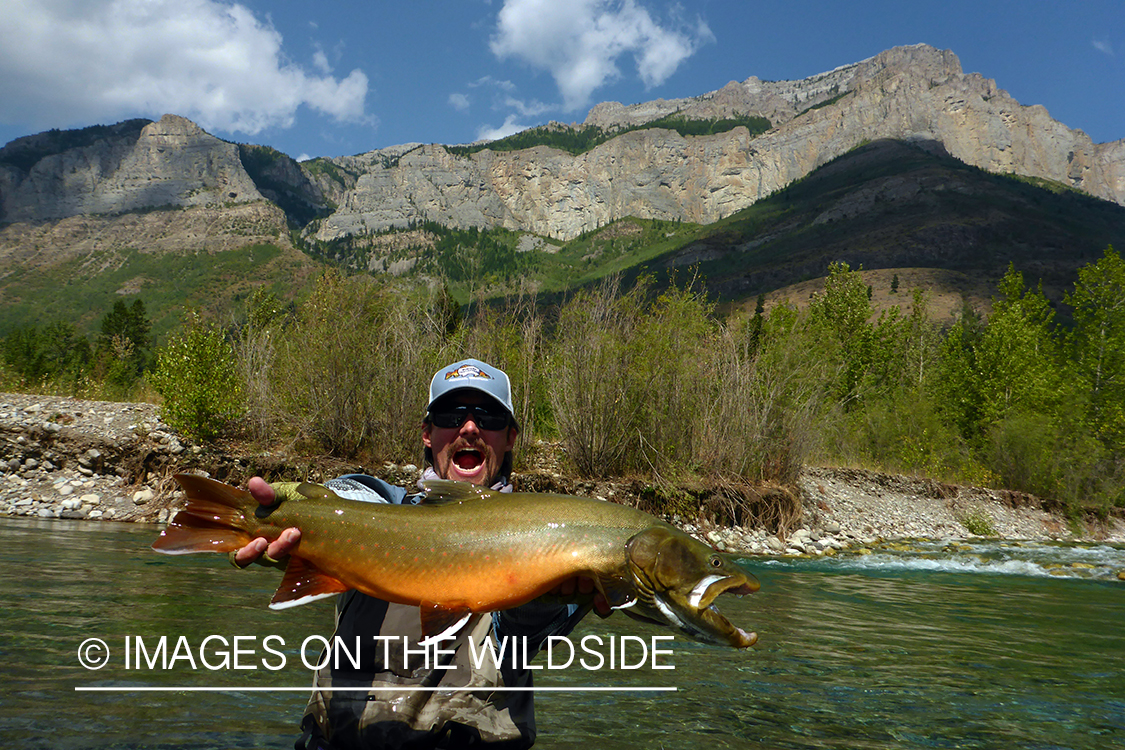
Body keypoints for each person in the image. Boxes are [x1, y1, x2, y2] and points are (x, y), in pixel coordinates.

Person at [233, 358, 605, 749]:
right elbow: (352, 493)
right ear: (427, 434)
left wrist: (541, 596)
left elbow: (520, 637)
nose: (470, 428)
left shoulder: (551, 537)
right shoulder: (386, 507)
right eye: (450, 414)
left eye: (490, 417)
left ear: (510, 437)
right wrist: (292, 512)